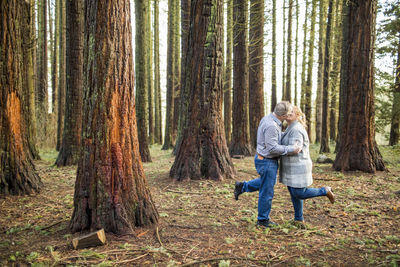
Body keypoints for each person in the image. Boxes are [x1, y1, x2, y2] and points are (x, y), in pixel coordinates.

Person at [234, 101, 302, 228]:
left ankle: (242, 186)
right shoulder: (271, 125)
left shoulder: (270, 119)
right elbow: (273, 148)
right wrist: (291, 149)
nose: (289, 115)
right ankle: (263, 220)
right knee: (267, 191)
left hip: (264, 159)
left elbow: (273, 138)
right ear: (283, 115)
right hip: (266, 161)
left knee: (267, 183)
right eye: (288, 113)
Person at [279, 106, 335, 227]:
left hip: (299, 166)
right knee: (293, 192)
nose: (289, 113)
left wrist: (278, 150)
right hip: (290, 166)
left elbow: (296, 149)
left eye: (292, 112)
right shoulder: (290, 127)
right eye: (288, 111)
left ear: (297, 116)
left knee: (299, 193)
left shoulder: (297, 129)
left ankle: (325, 190)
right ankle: (299, 219)